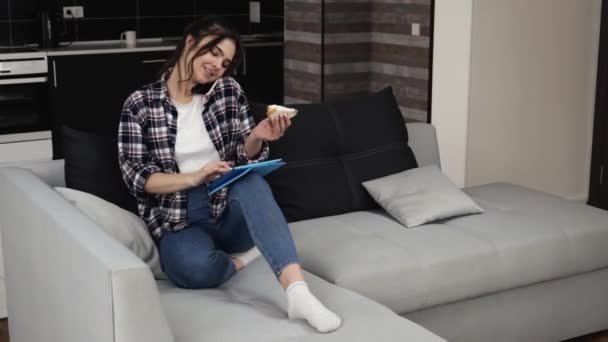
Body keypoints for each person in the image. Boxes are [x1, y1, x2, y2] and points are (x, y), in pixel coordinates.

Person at [117, 16, 341, 333]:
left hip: (228, 204)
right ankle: (244, 259)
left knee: (250, 180)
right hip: (180, 215)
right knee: (190, 271)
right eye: (212, 53)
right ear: (190, 42)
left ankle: (298, 293)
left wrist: (257, 136)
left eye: (225, 62)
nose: (217, 66)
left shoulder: (226, 91)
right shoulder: (140, 104)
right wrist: (194, 177)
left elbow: (239, 156)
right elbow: (138, 178)